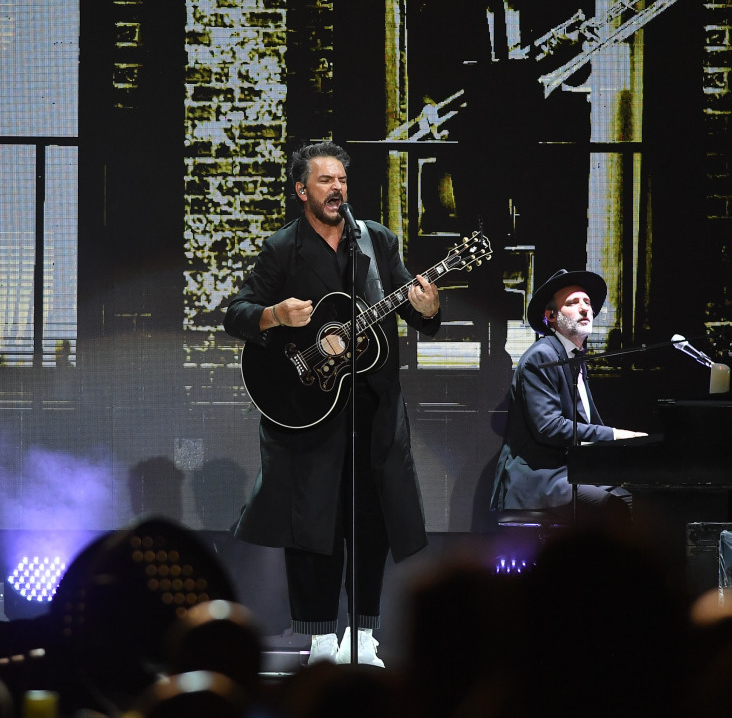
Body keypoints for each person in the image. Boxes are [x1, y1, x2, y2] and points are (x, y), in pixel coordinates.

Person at [223, 141, 441, 667]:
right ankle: (321, 637)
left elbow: (413, 313)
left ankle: (365, 636)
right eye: (325, 180)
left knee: (372, 523)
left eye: (342, 179)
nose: (337, 188)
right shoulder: (283, 248)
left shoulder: (377, 242)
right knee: (313, 524)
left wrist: (429, 309)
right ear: (302, 191)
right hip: (309, 411)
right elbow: (237, 313)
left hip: (373, 407)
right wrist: (275, 315)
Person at [490, 268, 646, 518]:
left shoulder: (573, 359)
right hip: (541, 477)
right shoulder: (543, 355)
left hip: (571, 472)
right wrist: (615, 435)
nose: (585, 309)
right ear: (551, 315)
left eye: (587, 303)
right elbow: (549, 427)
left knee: (642, 500)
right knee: (620, 506)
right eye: (573, 303)